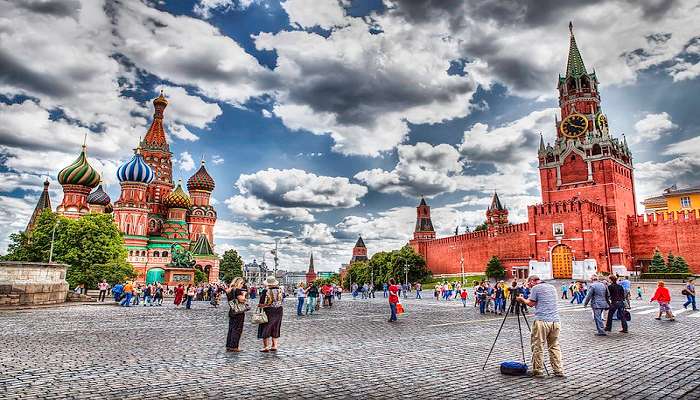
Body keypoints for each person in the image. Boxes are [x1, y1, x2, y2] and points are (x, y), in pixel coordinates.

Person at [516, 275, 564, 378]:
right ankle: (558, 370)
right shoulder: (551, 287)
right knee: (554, 346)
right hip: (556, 321)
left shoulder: (536, 288)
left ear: (533, 281)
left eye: (529, 284)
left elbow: (531, 303)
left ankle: (538, 371)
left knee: (538, 346)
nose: (528, 287)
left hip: (542, 321)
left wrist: (522, 299)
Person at [258, 276, 284, 352]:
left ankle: (266, 346)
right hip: (279, 310)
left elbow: (261, 302)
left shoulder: (265, 291)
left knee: (266, 326)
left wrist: (261, 306)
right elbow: (282, 300)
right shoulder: (280, 290)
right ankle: (274, 345)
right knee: (276, 326)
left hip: (269, 310)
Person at [225, 277, 247, 352]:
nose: (242, 285)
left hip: (232, 310)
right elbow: (241, 300)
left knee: (231, 329)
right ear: (239, 283)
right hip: (239, 312)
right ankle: (234, 346)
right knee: (237, 329)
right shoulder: (237, 290)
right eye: (242, 283)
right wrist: (244, 295)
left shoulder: (229, 290)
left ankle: (229, 345)